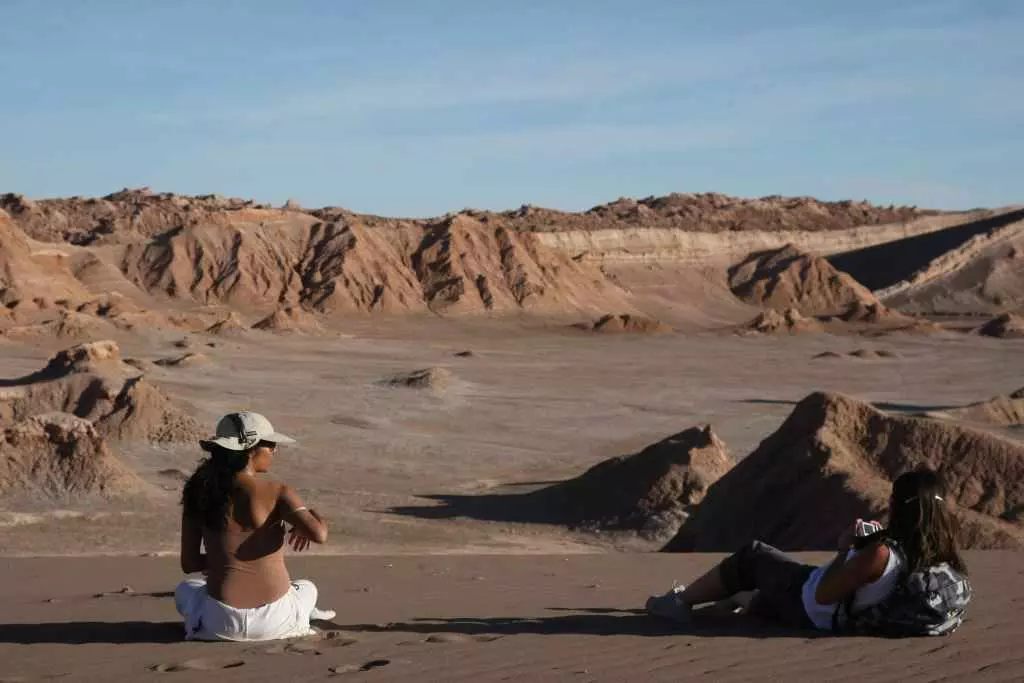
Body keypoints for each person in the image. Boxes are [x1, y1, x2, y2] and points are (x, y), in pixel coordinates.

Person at [646, 467, 968, 632]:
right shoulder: (938, 552)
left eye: (893, 501)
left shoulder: (881, 554)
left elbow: (821, 596)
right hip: (833, 607)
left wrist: (845, 549)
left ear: (901, 507)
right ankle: (742, 602)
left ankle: (678, 603)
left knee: (754, 556)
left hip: (813, 609)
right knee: (759, 593)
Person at [174, 411, 335, 641]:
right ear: (251, 449)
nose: (274, 450)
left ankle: (205, 623)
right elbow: (319, 534)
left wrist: (225, 561)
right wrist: (312, 515)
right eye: (269, 444)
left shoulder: (198, 492)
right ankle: (303, 615)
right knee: (307, 587)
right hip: (275, 621)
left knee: (186, 589)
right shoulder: (277, 491)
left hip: (220, 623)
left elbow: (189, 563)